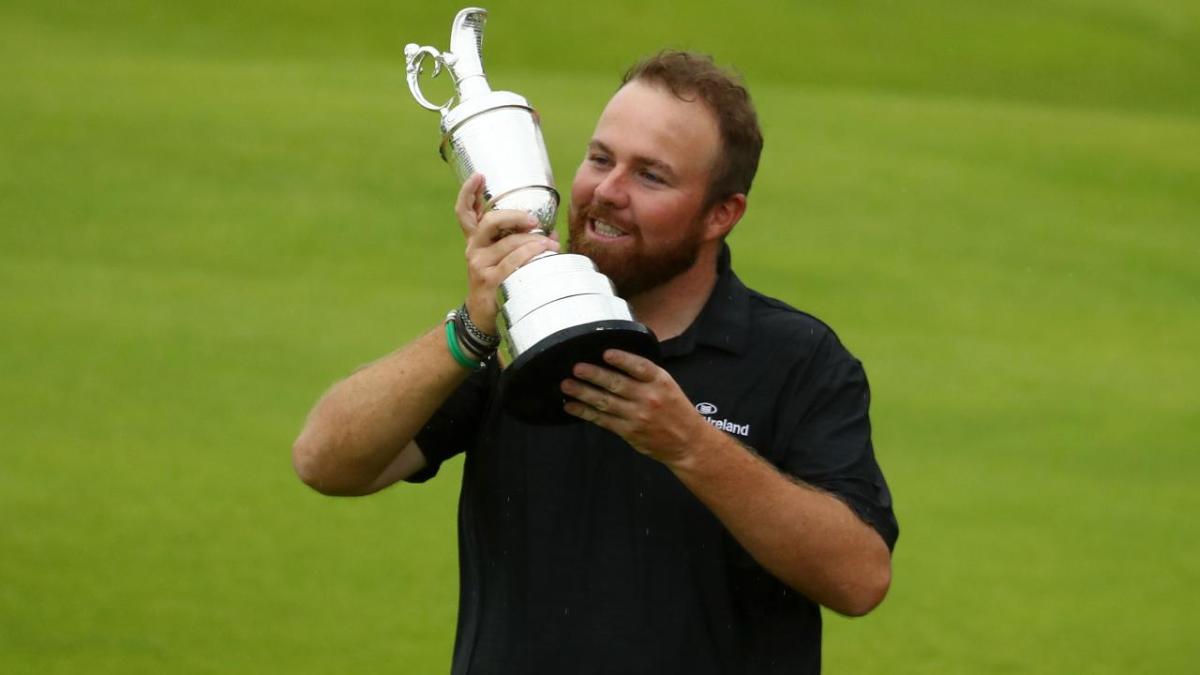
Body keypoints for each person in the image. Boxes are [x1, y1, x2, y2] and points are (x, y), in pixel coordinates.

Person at [293, 51, 898, 674]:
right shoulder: (510, 333)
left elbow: (858, 579)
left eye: (651, 177)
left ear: (722, 213)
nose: (607, 193)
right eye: (601, 159)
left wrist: (689, 442)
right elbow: (325, 462)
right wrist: (472, 329)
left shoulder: (795, 359)